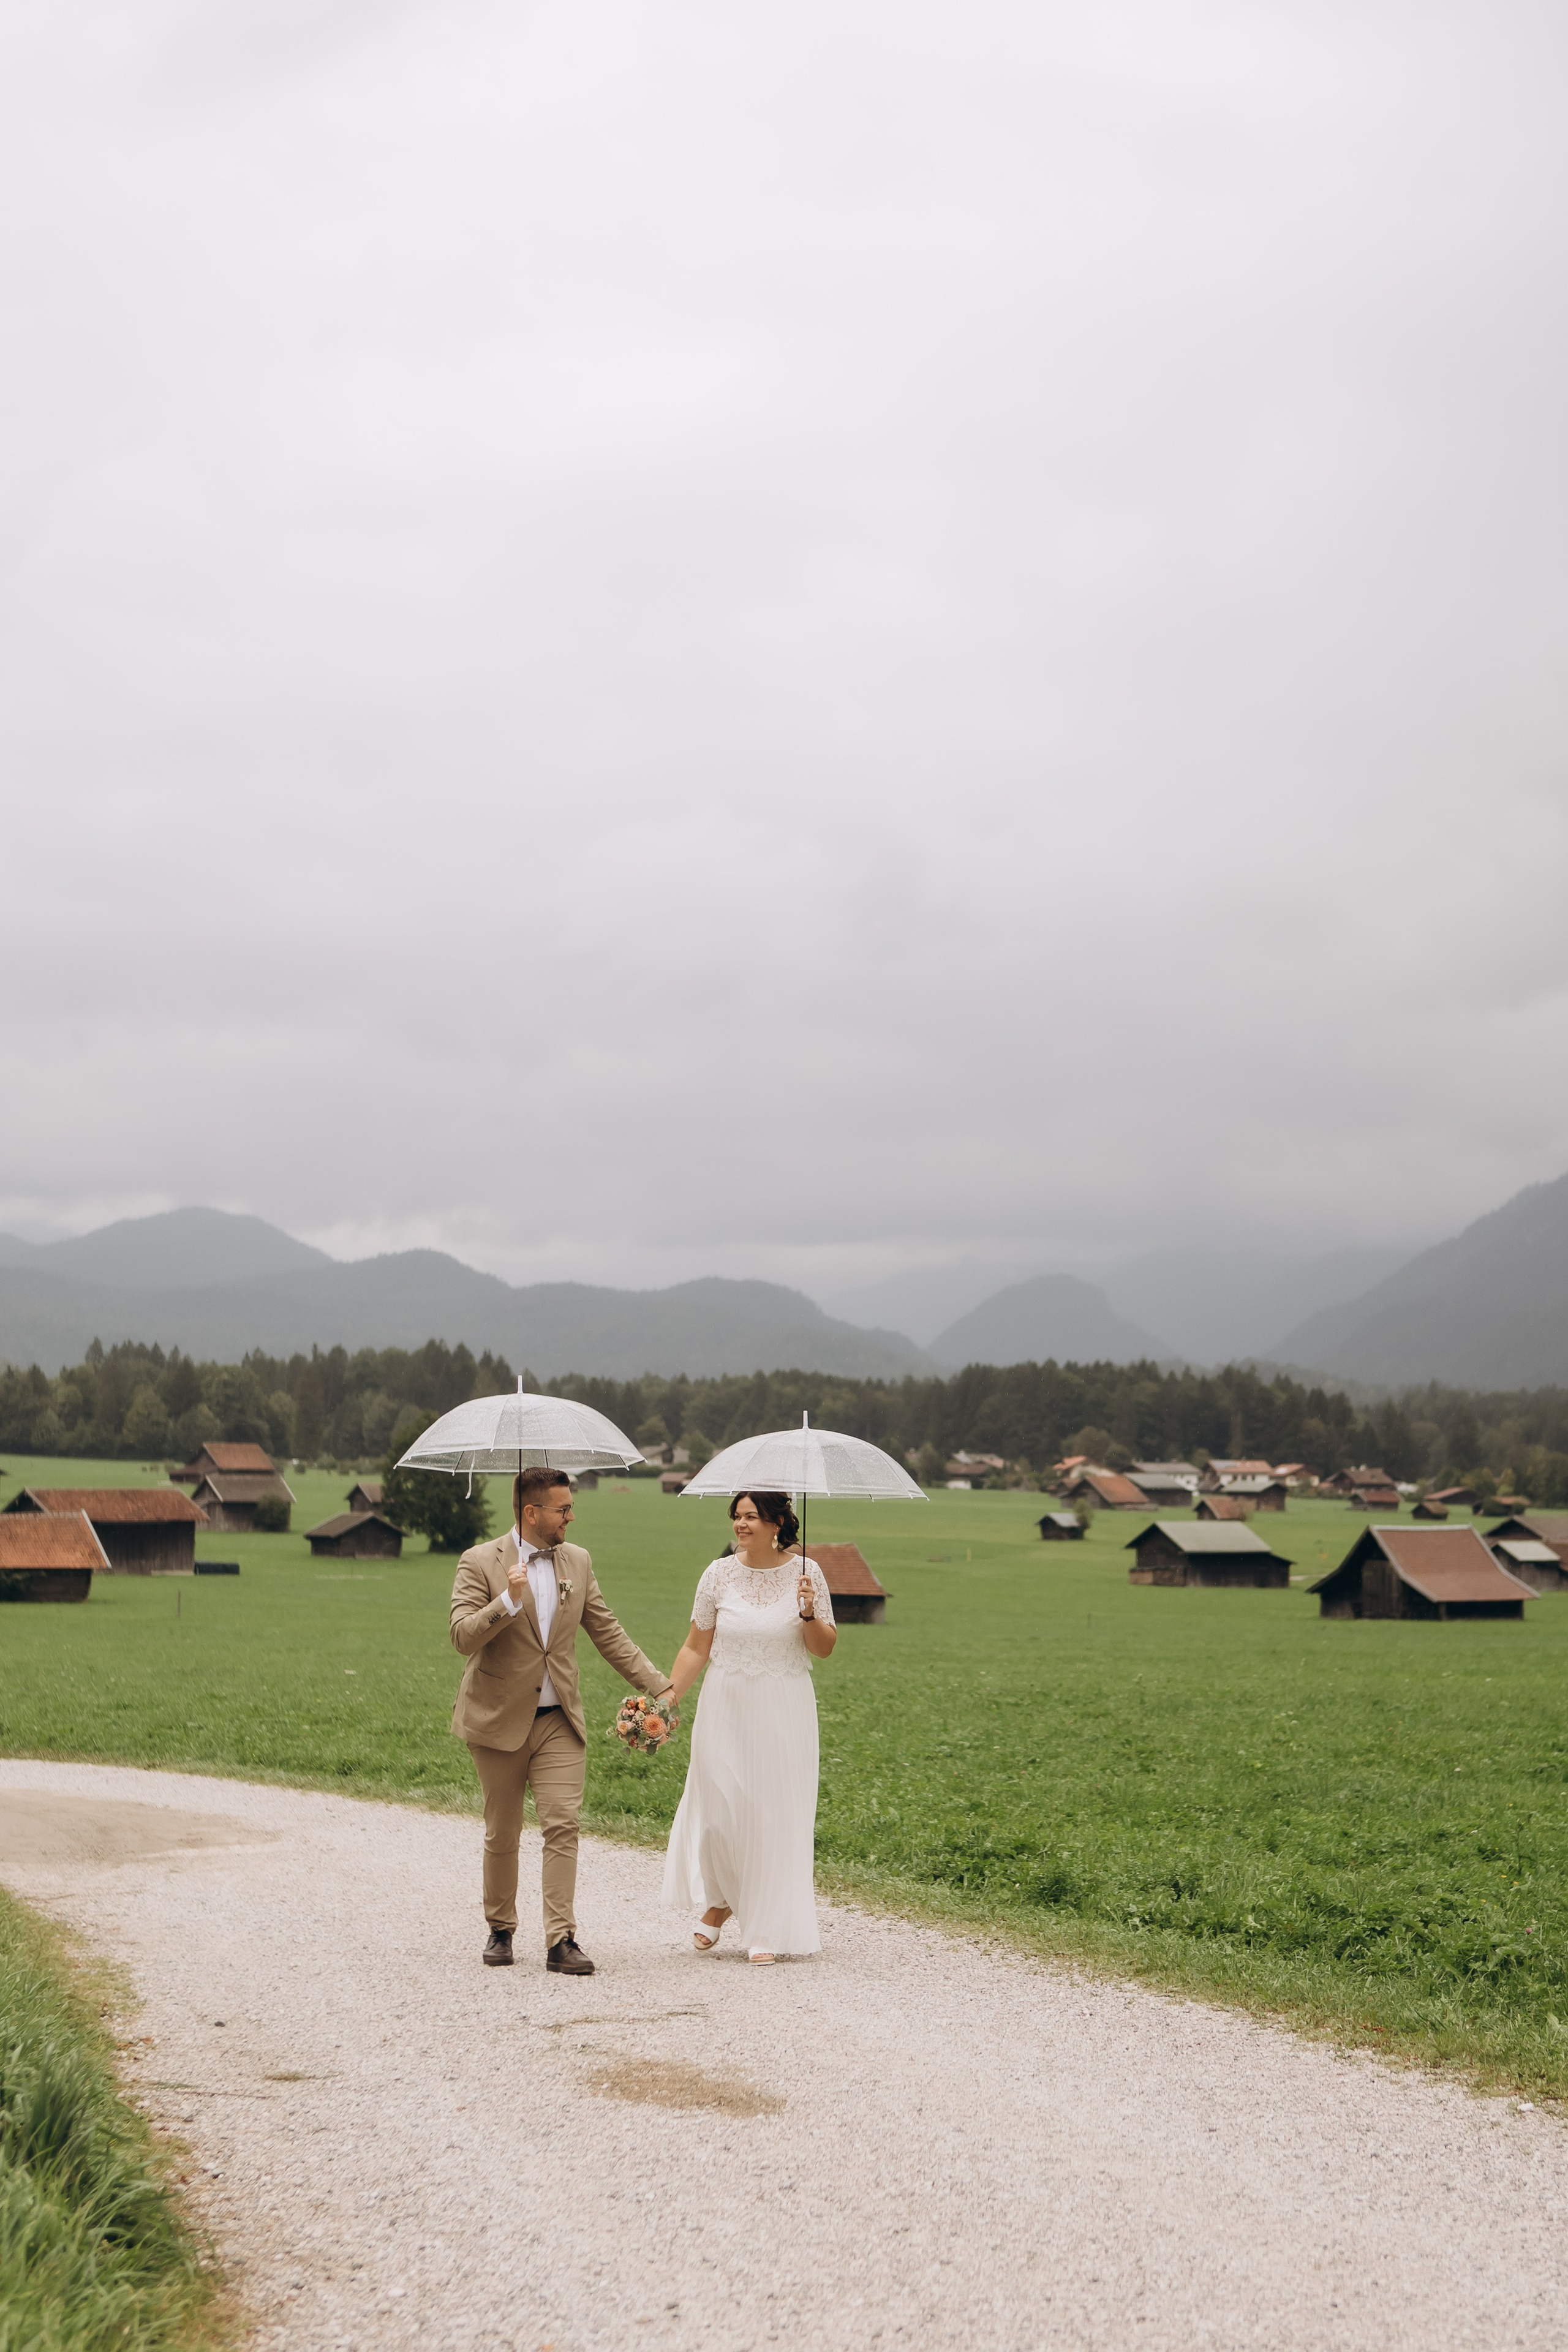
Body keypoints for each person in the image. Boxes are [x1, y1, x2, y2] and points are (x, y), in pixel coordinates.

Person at [449, 1466, 673, 1975]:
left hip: (559, 1720)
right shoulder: (480, 1562)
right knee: (502, 1832)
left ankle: (561, 1939)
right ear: (532, 1513)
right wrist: (507, 1601)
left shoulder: (578, 1561)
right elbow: (462, 1636)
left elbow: (607, 1631)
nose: (571, 1516)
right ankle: (501, 1928)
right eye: (563, 1509)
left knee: (562, 1825)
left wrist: (657, 1684)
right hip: (498, 1718)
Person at [661, 1490, 837, 1964]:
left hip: (783, 1705)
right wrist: (666, 1701)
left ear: (777, 1522)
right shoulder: (718, 1575)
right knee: (720, 1814)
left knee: (772, 1815)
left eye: (751, 1517)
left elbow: (824, 1648)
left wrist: (808, 1612)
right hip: (725, 1703)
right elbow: (696, 1647)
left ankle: (765, 1927)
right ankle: (720, 1899)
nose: (740, 1524)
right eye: (736, 1516)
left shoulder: (808, 1574)